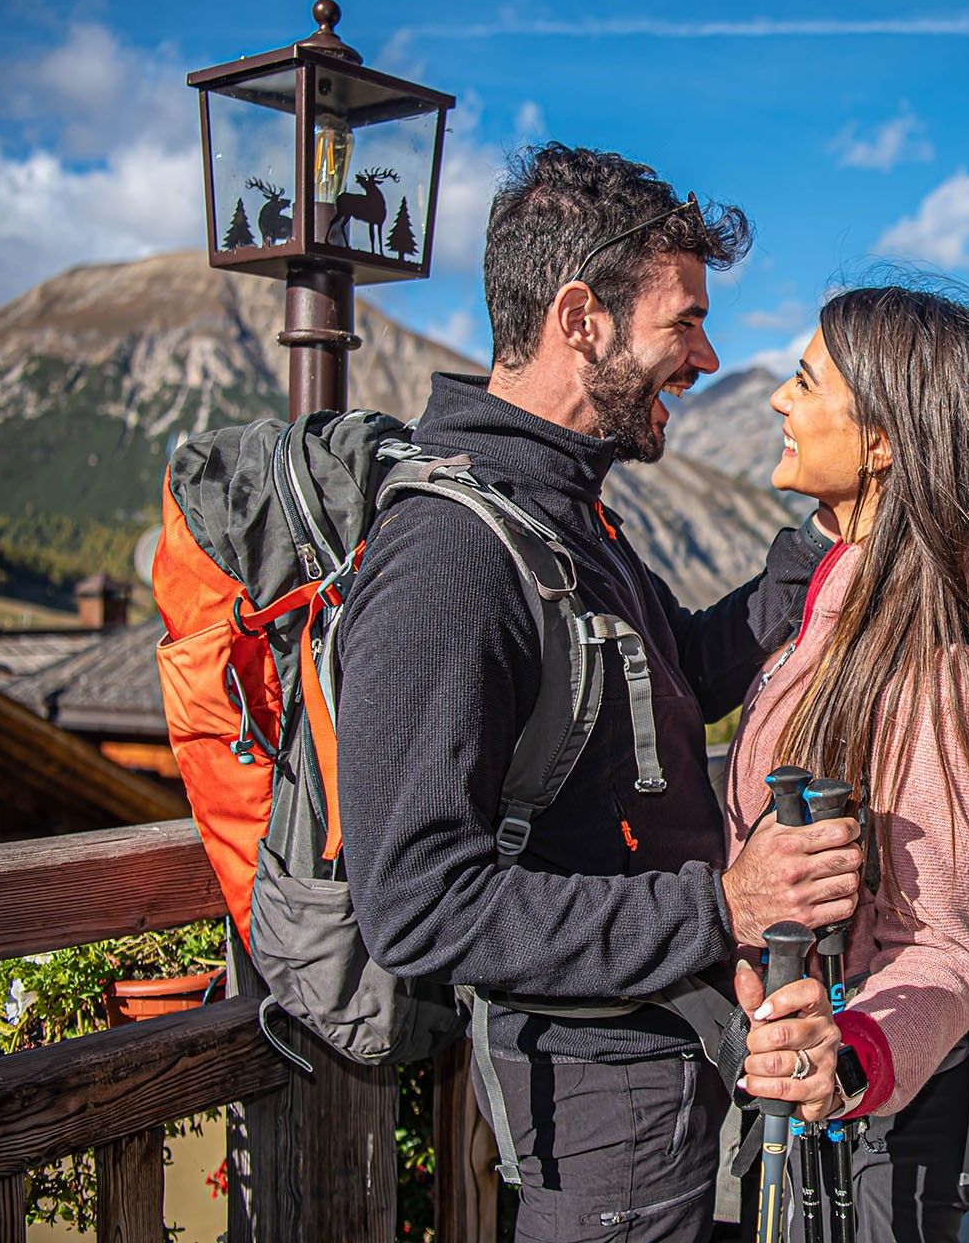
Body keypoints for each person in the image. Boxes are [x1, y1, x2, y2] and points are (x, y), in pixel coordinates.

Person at [335, 145, 861, 1243]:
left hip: (655, 1053)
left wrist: (829, 538)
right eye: (684, 322)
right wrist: (722, 903)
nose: (709, 355)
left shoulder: (568, 512)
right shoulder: (449, 553)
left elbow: (690, 668)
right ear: (579, 316)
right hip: (594, 1086)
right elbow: (415, 901)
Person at [723, 285, 969, 1242]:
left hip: (865, 1142)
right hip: (816, 1101)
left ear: (883, 442)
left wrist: (855, 1055)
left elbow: (942, 944)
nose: (780, 400)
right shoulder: (847, 608)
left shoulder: (935, 673)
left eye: (804, 380)